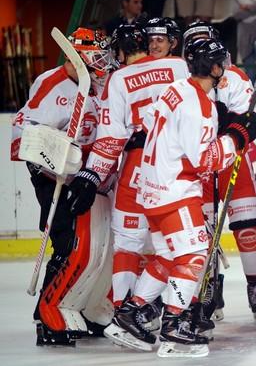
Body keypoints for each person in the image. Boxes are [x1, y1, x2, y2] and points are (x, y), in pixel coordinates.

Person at [116, 38, 256, 357]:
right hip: (175, 191)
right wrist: (235, 137)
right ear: (215, 68)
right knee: (194, 255)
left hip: (151, 190)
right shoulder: (200, 105)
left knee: (169, 255)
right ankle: (174, 328)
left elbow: (149, 123)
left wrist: (218, 123)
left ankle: (130, 313)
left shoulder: (175, 88)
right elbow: (204, 160)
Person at [67, 24, 190, 331]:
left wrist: (91, 175)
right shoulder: (178, 66)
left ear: (121, 51)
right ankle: (177, 307)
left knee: (128, 244)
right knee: (175, 247)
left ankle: (125, 313)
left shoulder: (118, 79)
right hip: (177, 165)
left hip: (138, 166)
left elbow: (112, 138)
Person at [11, 28, 115, 346]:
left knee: (95, 247)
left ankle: (83, 306)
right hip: (53, 177)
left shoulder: (97, 84)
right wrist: (56, 156)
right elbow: (24, 132)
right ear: (77, 56)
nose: (101, 62)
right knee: (67, 242)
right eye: (95, 55)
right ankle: (47, 316)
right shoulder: (51, 83)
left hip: (86, 178)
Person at [181, 21, 256, 323]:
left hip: (234, 162)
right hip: (201, 165)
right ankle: (210, 287)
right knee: (204, 235)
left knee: (247, 229)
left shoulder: (235, 77)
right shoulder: (183, 81)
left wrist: (228, 124)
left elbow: (247, 122)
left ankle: (255, 286)